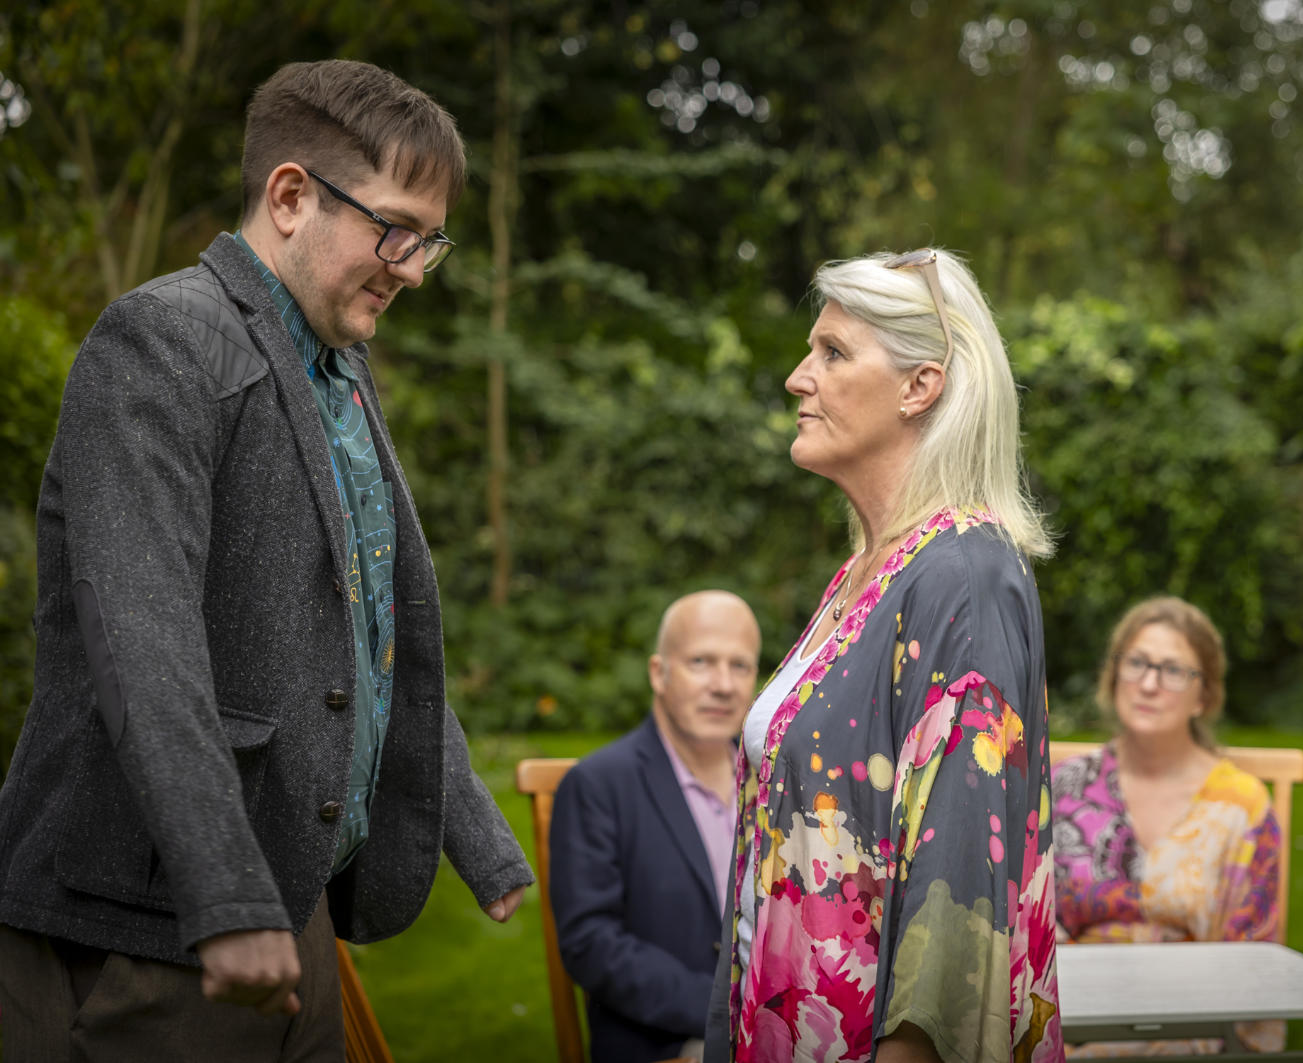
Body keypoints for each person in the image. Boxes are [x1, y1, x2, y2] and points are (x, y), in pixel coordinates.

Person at [0, 60, 532, 1061]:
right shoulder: (160, 340)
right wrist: (225, 889)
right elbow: (139, 634)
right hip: (148, 926)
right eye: (395, 231)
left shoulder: (338, 368)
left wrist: (474, 833)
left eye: (430, 241)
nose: (413, 267)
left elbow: (371, 636)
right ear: (291, 196)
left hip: (287, 905)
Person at [703, 248, 1063, 1063]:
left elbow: (959, 906)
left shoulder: (962, 574)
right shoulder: (872, 571)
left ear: (919, 386)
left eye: (832, 352)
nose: (799, 377)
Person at [1051, 595, 1283, 1056]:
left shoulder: (1241, 807)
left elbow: (1252, 961)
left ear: (1205, 695)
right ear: (1114, 675)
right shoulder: (1065, 788)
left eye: (1174, 670)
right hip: (1071, 1015)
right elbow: (1028, 924)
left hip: (1193, 1024)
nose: (1149, 684)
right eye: (1136, 663)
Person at [551, 590, 762, 1063]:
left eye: (741, 665)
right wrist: (726, 1010)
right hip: (667, 1042)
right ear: (658, 674)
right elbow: (591, 943)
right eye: (701, 661)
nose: (723, 685)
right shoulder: (599, 785)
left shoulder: (774, 785)